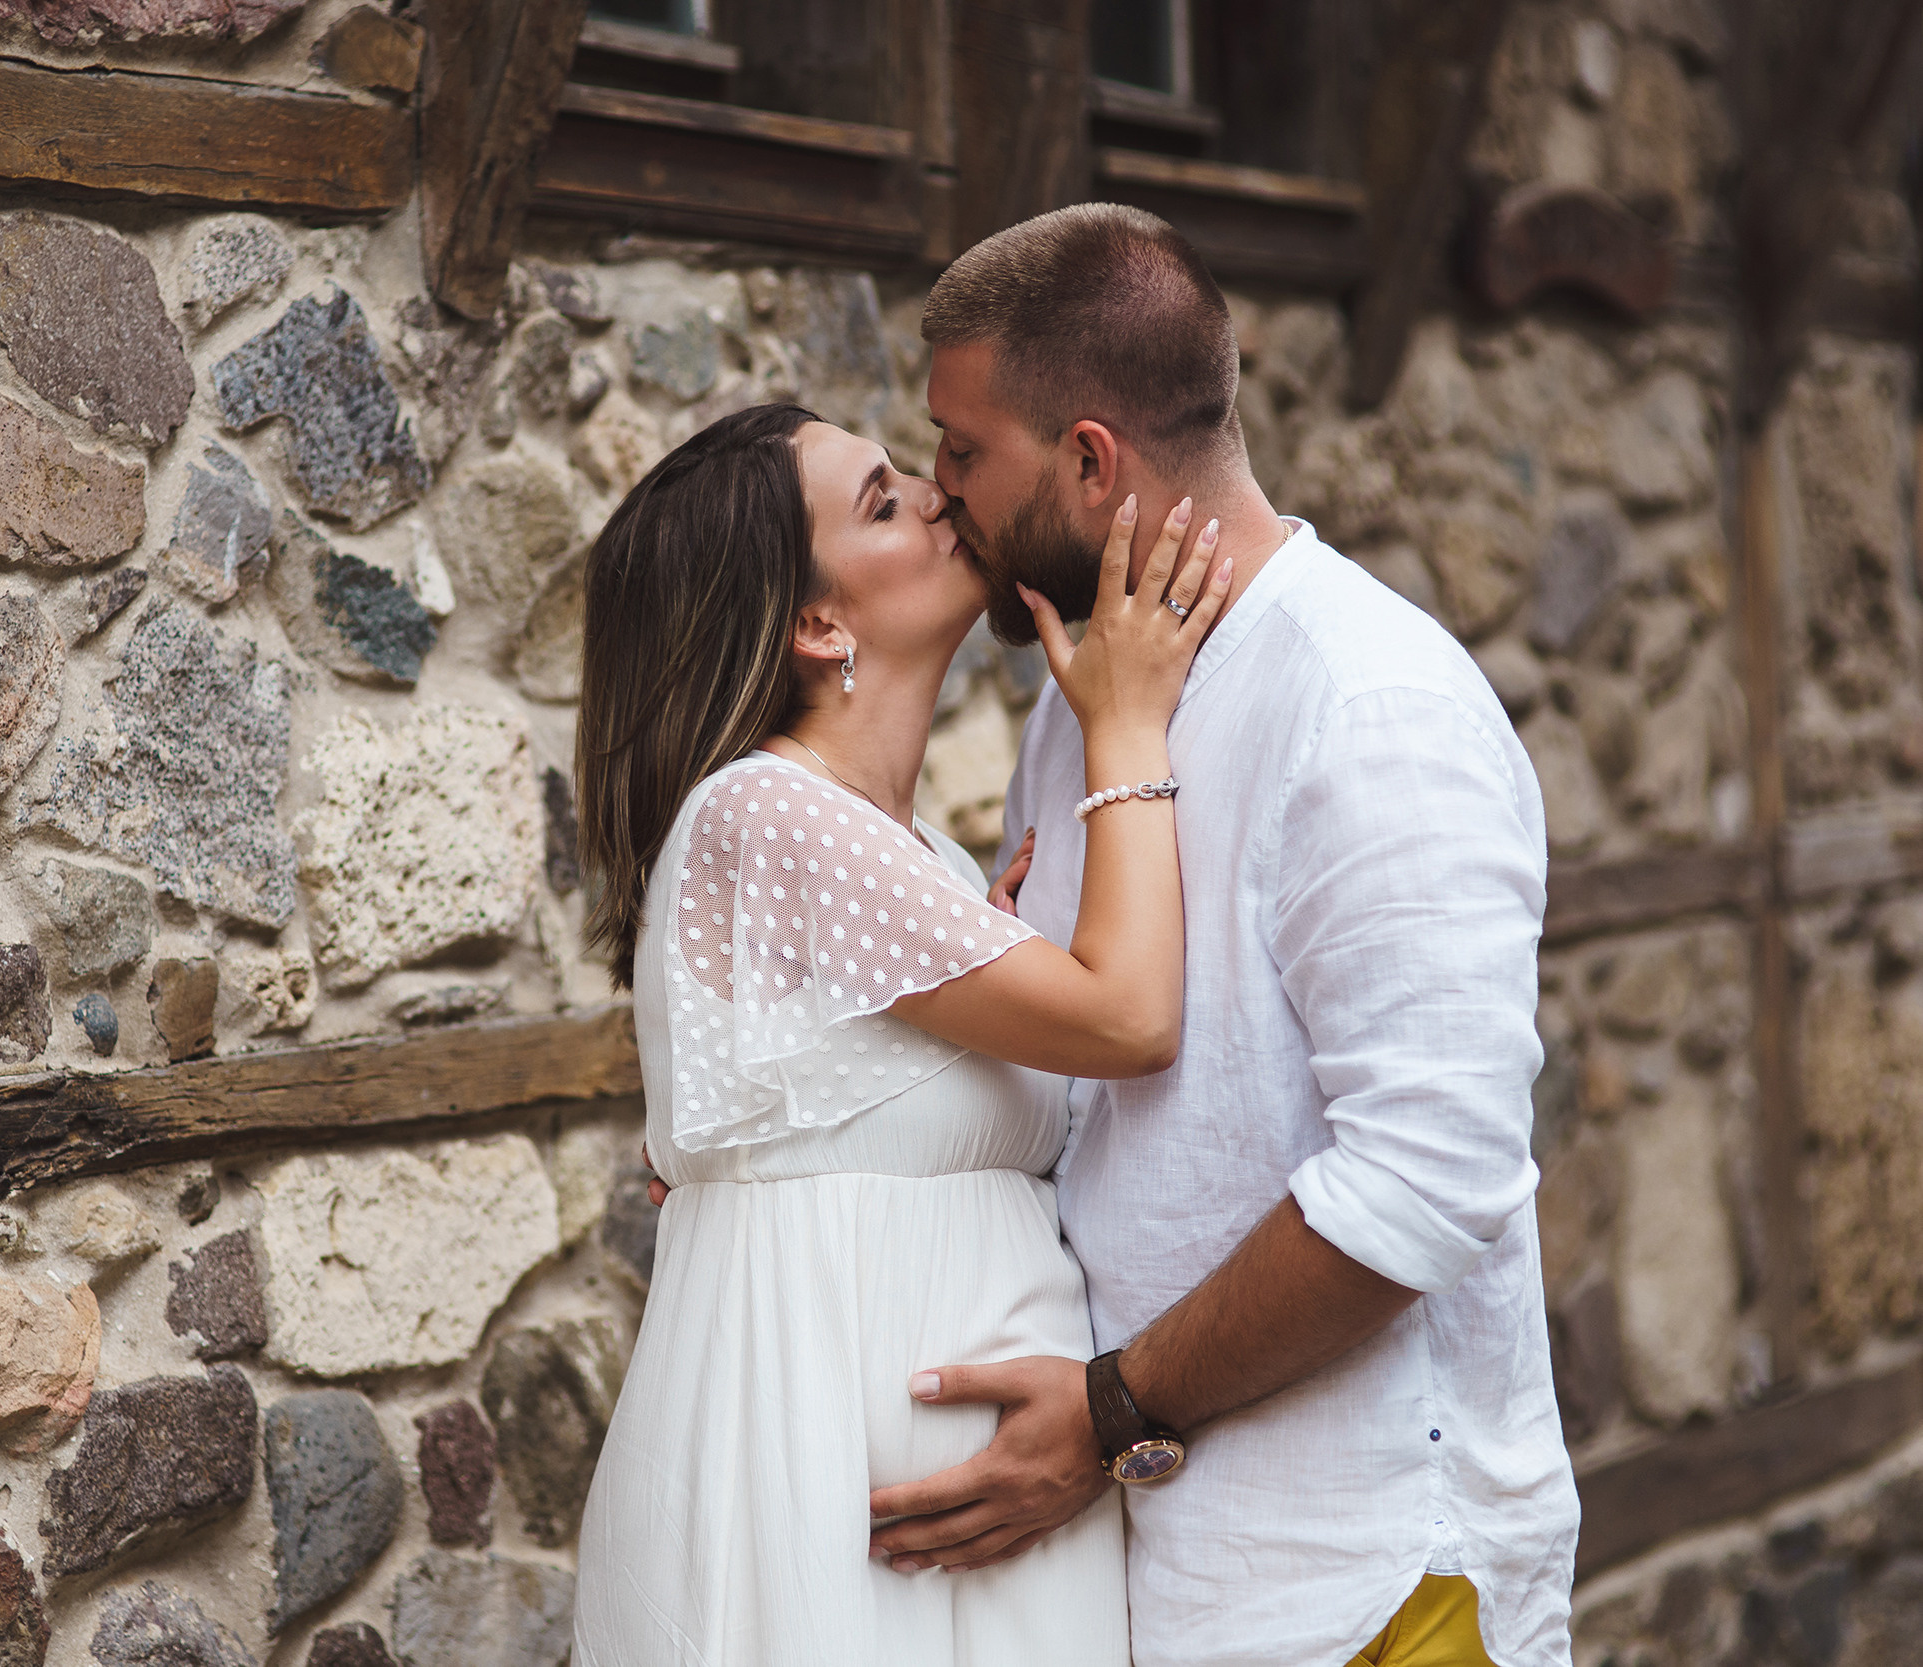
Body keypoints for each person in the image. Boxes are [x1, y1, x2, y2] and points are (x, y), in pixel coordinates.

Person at [865, 204, 1579, 1667]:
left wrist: (1113, 1407)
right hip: (1177, 1583)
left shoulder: (1372, 707)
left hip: (1375, 1583)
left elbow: (1423, 1187)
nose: (941, 500)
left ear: (1086, 460)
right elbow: (1096, 1103)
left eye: (961, 452)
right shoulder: (1090, 703)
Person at [570, 397, 1230, 1664]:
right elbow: (1131, 1015)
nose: (935, 494)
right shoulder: (768, 812)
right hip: (829, 1493)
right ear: (818, 623)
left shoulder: (913, 853)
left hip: (984, 1531)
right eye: (881, 502)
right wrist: (1126, 724)